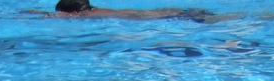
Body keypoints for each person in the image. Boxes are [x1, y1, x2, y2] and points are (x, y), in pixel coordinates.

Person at [51, 0, 230, 22]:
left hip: (151, 17)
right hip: (163, 11)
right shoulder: (96, 9)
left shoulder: (84, 15)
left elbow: (52, 16)